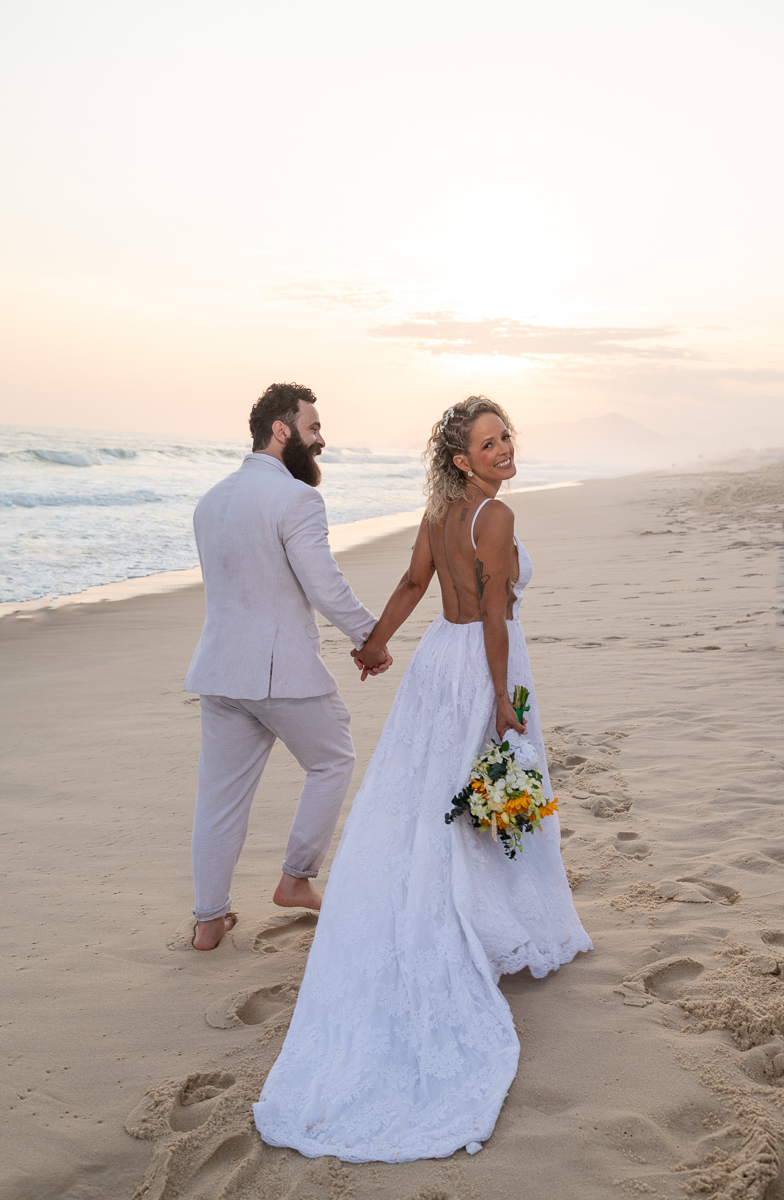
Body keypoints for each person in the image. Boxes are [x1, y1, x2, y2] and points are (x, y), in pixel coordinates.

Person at [253, 395, 592, 1161]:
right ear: (461, 458)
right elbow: (497, 614)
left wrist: (375, 647)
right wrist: (503, 699)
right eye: (487, 442)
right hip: (480, 667)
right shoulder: (493, 520)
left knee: (437, 804)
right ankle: (495, 924)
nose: (505, 448)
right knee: (492, 799)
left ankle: (478, 912)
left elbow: (412, 586)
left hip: (437, 664)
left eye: (506, 435)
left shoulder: (441, 513)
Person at [183, 382, 392, 952]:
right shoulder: (298, 499)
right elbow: (324, 583)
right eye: (314, 428)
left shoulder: (210, 500)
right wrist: (370, 639)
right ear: (282, 430)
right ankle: (296, 878)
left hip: (220, 672)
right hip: (279, 671)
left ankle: (208, 921)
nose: (321, 440)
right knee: (333, 758)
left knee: (219, 798)